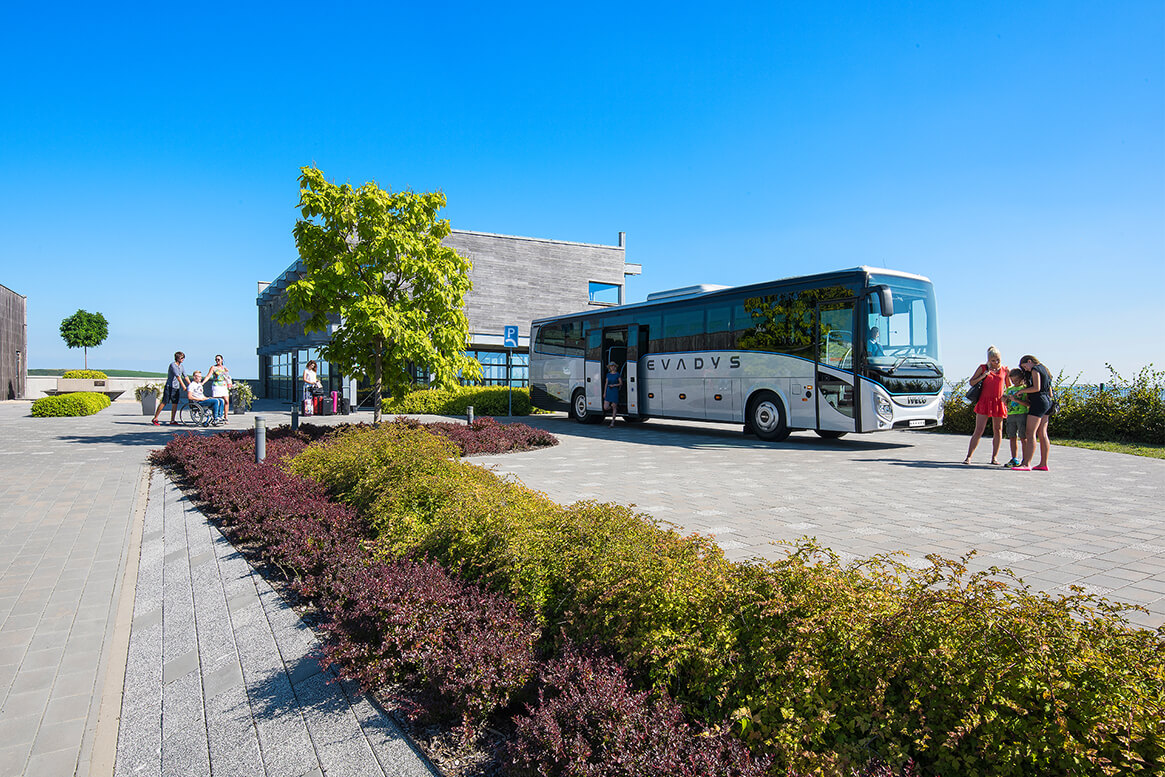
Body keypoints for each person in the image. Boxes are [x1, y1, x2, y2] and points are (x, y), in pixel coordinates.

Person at [963, 346, 1009, 465]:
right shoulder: (983, 368)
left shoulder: (1005, 370)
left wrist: (1008, 399)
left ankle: (994, 457)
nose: (996, 362)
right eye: (993, 360)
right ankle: (969, 456)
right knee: (978, 430)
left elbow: (1009, 387)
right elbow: (972, 382)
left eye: (998, 360)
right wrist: (983, 376)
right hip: (984, 401)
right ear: (989, 360)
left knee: (998, 430)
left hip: (998, 402)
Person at [1010, 355, 1054, 471]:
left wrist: (1021, 391)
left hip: (1038, 403)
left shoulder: (1035, 369)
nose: (1026, 369)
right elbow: (1050, 393)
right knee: (1042, 433)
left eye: (1025, 366)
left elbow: (1036, 387)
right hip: (1047, 402)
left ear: (1030, 361)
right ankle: (1043, 463)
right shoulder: (1045, 370)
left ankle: (1026, 463)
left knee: (1030, 433)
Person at [1002, 368, 1029, 468]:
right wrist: (1005, 400)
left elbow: (1028, 403)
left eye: (1017, 380)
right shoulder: (1010, 390)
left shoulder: (1025, 389)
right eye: (1013, 381)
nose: (1015, 383)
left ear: (1022, 379)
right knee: (1012, 436)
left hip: (1022, 414)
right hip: (1011, 414)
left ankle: (1025, 459)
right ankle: (1014, 458)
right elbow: (1007, 403)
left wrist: (1017, 400)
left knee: (1023, 437)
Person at [152, 351, 189, 426]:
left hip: (176, 388)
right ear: (177, 358)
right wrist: (184, 386)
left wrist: (191, 385)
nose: (183, 359)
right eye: (181, 358)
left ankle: (172, 420)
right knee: (164, 402)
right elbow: (178, 377)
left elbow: (185, 376)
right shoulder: (173, 365)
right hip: (169, 387)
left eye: (183, 358)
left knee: (175, 403)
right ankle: (155, 418)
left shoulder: (181, 367)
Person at [206, 354, 232, 420]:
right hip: (216, 385)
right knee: (217, 401)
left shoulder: (224, 368)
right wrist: (202, 382)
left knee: (226, 401)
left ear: (222, 360)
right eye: (216, 359)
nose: (217, 361)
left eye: (218, 359)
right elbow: (208, 376)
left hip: (223, 385)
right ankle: (216, 416)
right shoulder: (213, 368)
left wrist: (229, 383)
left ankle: (225, 416)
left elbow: (227, 377)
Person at [603, 362, 622, 427]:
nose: (612, 367)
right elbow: (606, 383)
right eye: (611, 366)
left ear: (615, 367)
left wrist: (614, 385)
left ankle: (612, 422)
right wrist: (604, 392)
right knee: (605, 407)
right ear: (609, 367)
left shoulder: (617, 374)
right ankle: (614, 407)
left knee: (614, 407)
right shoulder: (608, 374)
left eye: (613, 366)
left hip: (614, 391)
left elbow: (620, 383)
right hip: (608, 391)